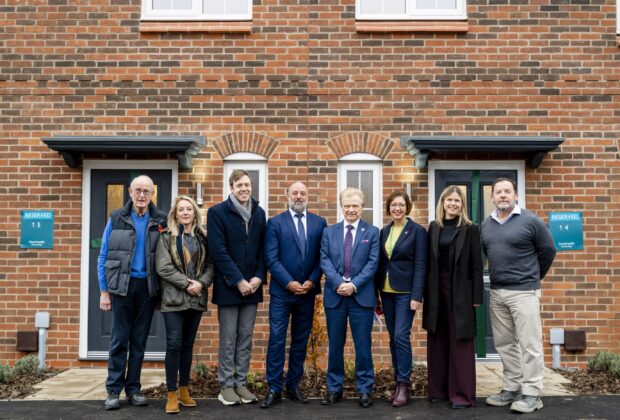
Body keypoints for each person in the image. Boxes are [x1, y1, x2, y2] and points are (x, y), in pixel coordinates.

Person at [481, 178, 556, 414]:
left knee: (530, 344)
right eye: (498, 192)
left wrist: (533, 276)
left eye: (507, 191)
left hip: (524, 292)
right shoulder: (487, 224)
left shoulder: (531, 220)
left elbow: (548, 251)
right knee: (504, 344)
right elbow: (488, 253)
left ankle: (532, 392)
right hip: (497, 292)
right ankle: (511, 387)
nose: (503, 195)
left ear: (516, 196)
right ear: (492, 197)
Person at [97, 175, 167, 411]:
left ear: (152, 194)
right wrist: (104, 291)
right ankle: (113, 391)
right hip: (121, 287)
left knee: (139, 342)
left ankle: (134, 389)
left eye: (146, 191)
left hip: (147, 289)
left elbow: (166, 258)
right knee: (119, 341)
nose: (142, 195)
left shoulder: (161, 220)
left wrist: (160, 294)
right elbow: (103, 256)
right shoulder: (116, 218)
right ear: (129, 192)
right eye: (138, 190)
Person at [260, 182, 327, 409]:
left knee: (300, 341)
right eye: (295, 193)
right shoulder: (275, 223)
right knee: (277, 339)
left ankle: (293, 385)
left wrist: (311, 280)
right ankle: (274, 388)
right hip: (282, 292)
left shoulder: (319, 223)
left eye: (303, 193)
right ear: (286, 195)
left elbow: (322, 257)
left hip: (307, 293)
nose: (299, 196)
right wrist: (289, 283)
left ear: (308, 196)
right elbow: (271, 258)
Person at [207, 169, 267, 406]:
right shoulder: (217, 213)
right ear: (231, 187)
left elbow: (264, 250)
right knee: (228, 338)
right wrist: (238, 280)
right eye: (239, 185)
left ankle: (241, 382)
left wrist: (259, 277)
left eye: (247, 185)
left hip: (253, 287)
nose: (244, 189)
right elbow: (218, 251)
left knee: (246, 337)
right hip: (229, 287)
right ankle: (226, 385)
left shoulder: (259, 213)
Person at [319, 187, 380, 408]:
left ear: (362, 207)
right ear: (341, 206)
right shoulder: (329, 232)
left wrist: (353, 285)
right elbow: (324, 260)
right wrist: (339, 283)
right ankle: (334, 389)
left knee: (363, 346)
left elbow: (373, 263)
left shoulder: (372, 232)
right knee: (335, 345)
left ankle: (365, 389)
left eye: (355, 205)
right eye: (347, 205)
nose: (351, 209)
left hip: (361, 297)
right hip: (335, 297)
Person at [423, 186, 483, 409]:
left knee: (461, 342)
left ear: (462, 205)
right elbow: (428, 262)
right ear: (442, 202)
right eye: (449, 200)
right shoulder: (434, 227)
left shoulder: (470, 229)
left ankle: (461, 395)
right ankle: (438, 391)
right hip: (436, 290)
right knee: (438, 340)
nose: (453, 204)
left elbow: (477, 264)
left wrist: (477, 296)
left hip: (461, 291)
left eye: (457, 201)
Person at [156, 196, 214, 414]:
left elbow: (211, 265)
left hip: (196, 299)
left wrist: (201, 284)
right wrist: (187, 284)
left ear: (194, 213)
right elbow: (163, 268)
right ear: (175, 213)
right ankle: (171, 394)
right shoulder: (166, 237)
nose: (186, 212)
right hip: (173, 299)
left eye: (189, 209)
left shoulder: (203, 238)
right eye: (181, 209)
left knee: (188, 345)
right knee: (174, 344)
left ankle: (184, 390)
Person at [374, 191, 427, 407]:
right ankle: (397, 384)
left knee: (401, 337)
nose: (397, 208)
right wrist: (376, 295)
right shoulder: (384, 231)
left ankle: (405, 385)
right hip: (386, 292)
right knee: (392, 338)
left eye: (401, 205)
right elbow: (380, 264)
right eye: (393, 205)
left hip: (406, 293)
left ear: (407, 207)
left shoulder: (417, 231)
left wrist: (417, 295)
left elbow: (421, 265)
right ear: (389, 208)